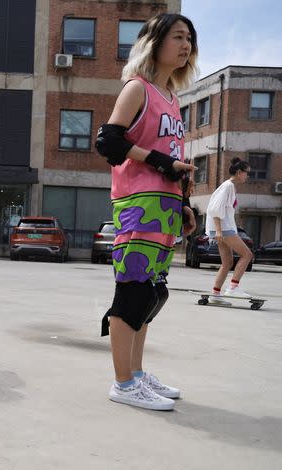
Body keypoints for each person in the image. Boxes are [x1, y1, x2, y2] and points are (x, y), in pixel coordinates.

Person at [95, 13, 199, 411]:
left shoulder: (172, 99)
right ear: (155, 42)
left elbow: (175, 158)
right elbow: (108, 140)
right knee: (133, 291)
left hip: (166, 206)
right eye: (177, 36)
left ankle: (136, 374)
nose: (186, 44)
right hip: (139, 205)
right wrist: (158, 162)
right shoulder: (137, 89)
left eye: (189, 38)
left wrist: (185, 204)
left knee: (153, 294)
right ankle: (122, 383)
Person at [205, 157, 254, 303]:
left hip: (223, 228)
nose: (248, 176)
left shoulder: (229, 186)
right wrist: (219, 231)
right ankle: (233, 288)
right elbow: (215, 209)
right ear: (239, 172)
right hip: (223, 229)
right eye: (247, 173)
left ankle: (215, 294)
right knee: (247, 254)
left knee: (227, 262)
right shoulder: (228, 186)